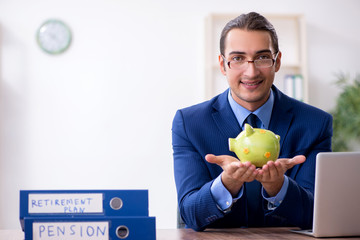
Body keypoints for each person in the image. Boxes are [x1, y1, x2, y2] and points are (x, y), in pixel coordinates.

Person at [172, 12, 332, 231]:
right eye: (237, 58)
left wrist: (279, 187)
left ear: (277, 62)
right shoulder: (190, 123)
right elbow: (190, 214)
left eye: (262, 57)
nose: (251, 71)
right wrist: (226, 184)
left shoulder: (315, 123)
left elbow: (317, 215)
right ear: (222, 64)